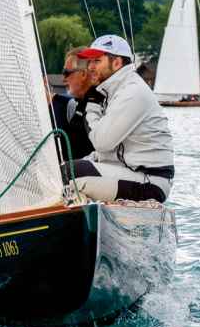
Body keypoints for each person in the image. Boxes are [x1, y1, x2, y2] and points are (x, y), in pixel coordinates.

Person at [68, 34, 174, 203]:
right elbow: (109, 150)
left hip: (150, 182)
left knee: (68, 175)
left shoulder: (132, 92)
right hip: (131, 172)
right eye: (90, 61)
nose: (90, 67)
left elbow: (102, 142)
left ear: (116, 63)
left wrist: (92, 107)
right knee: (64, 170)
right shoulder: (116, 90)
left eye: (97, 61)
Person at [50, 47, 99, 161]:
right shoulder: (78, 104)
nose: (63, 79)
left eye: (66, 73)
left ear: (83, 74)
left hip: (84, 174)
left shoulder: (101, 105)